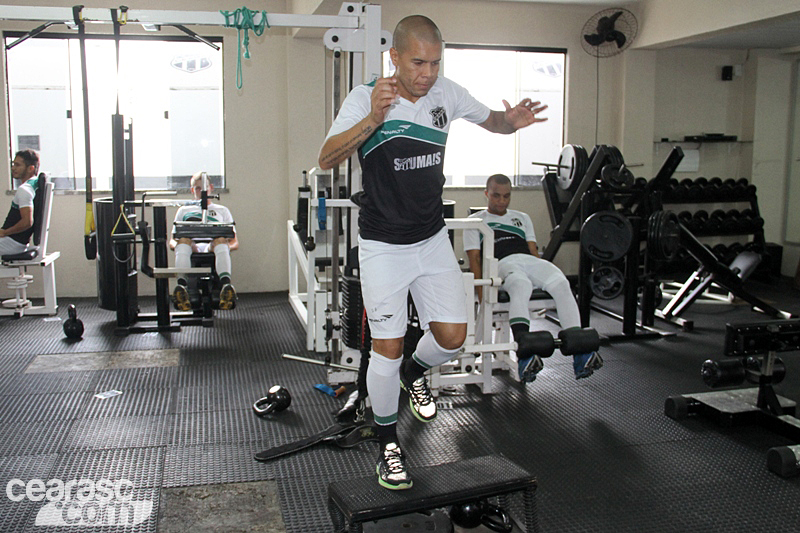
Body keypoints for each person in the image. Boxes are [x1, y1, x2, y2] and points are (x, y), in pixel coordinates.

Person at [318, 15, 548, 490]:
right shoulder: (366, 97)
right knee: (385, 347)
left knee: (452, 338)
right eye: (418, 63)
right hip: (383, 245)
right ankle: (387, 445)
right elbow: (326, 158)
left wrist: (511, 123)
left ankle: (414, 371)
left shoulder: (446, 93)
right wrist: (373, 119)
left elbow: (494, 120)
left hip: (430, 238)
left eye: (435, 63)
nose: (427, 73)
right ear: (395, 58)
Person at [464, 174, 603, 383]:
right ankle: (525, 355)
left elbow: (533, 252)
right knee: (521, 284)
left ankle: (580, 354)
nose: (501, 201)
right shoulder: (475, 222)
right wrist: (482, 294)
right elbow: (475, 259)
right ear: (486, 194)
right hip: (501, 264)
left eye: (506, 196)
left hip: (527, 261)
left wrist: (541, 276)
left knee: (561, 283)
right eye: (496, 196)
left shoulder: (522, 217)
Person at [169, 172, 238, 310]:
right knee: (183, 241)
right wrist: (181, 245)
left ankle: (226, 287)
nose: (201, 191)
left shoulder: (222, 211)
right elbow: (172, 241)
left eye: (204, 188)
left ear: (211, 188)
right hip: (191, 247)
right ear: (192, 190)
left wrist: (224, 248)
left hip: (212, 247)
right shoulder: (184, 210)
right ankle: (182, 288)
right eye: (198, 188)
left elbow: (235, 242)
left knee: (221, 241)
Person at [1, 150, 41, 256]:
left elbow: (27, 222)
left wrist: (4, 232)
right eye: (13, 164)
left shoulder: (24, 190)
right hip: (14, 241)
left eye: (18, 165)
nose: (13, 168)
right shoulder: (34, 184)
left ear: (30, 168)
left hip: (11, 243)